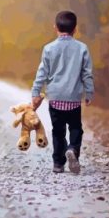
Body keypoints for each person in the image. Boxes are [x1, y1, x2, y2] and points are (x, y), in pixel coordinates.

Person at [31, 10, 94, 174]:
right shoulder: (82, 48)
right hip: (73, 99)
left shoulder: (49, 49)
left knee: (58, 132)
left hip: (55, 98)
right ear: (75, 29)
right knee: (75, 129)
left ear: (55, 28)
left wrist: (36, 92)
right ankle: (73, 149)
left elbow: (42, 72)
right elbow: (86, 73)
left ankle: (58, 164)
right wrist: (89, 92)